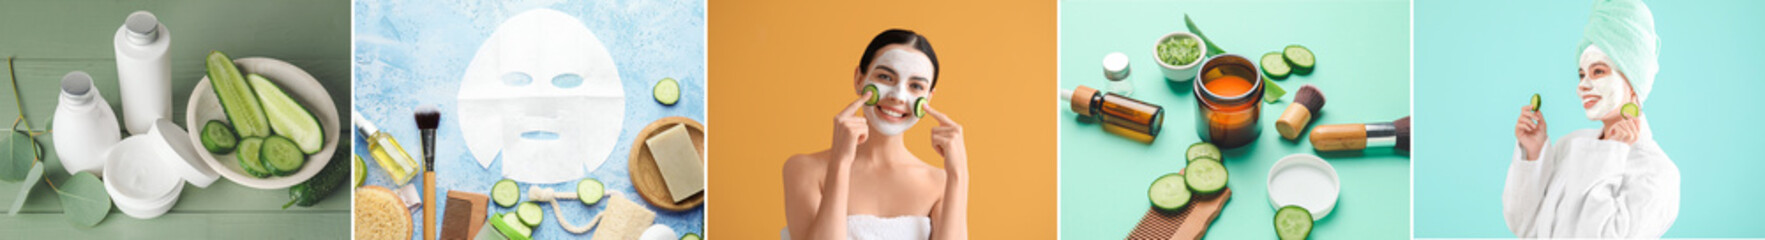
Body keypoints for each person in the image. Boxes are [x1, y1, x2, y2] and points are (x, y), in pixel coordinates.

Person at [1505, 0, 1678, 237]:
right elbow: (1526, 228)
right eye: (1581, 74)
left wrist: (1610, 156)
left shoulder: (1657, 173)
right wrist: (1533, 155)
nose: (1582, 87)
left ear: (1633, 82)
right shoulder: (1569, 147)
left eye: (1598, 72)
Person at [781, 29, 969, 240]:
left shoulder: (940, 184)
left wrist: (959, 174)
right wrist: (840, 164)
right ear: (859, 79)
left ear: (928, 97)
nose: (898, 96)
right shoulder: (804, 170)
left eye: (916, 86)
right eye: (885, 77)